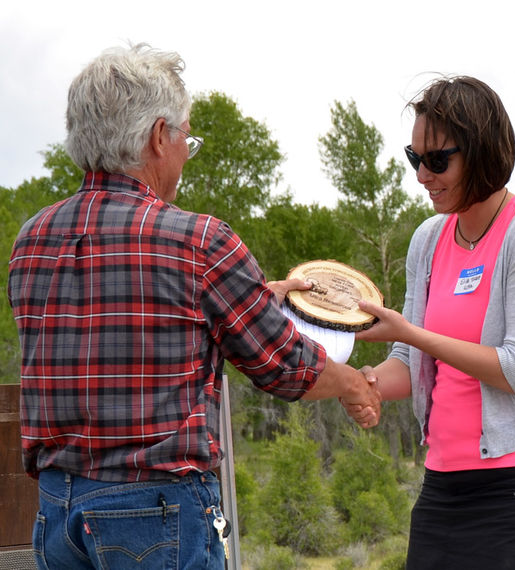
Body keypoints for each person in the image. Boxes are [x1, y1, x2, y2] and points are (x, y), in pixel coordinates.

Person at [7, 43, 379, 570]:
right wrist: (355, 384)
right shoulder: (199, 242)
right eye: (186, 137)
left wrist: (249, 296)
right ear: (159, 137)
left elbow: (113, 323)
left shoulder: (32, 239)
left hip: (56, 507)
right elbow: (284, 366)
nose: (185, 152)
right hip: (155, 513)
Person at [345, 75, 515, 569]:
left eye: (437, 160)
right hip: (443, 490)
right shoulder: (428, 240)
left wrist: (410, 333)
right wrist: (362, 384)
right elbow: (410, 363)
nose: (422, 175)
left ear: (482, 152)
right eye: (415, 159)